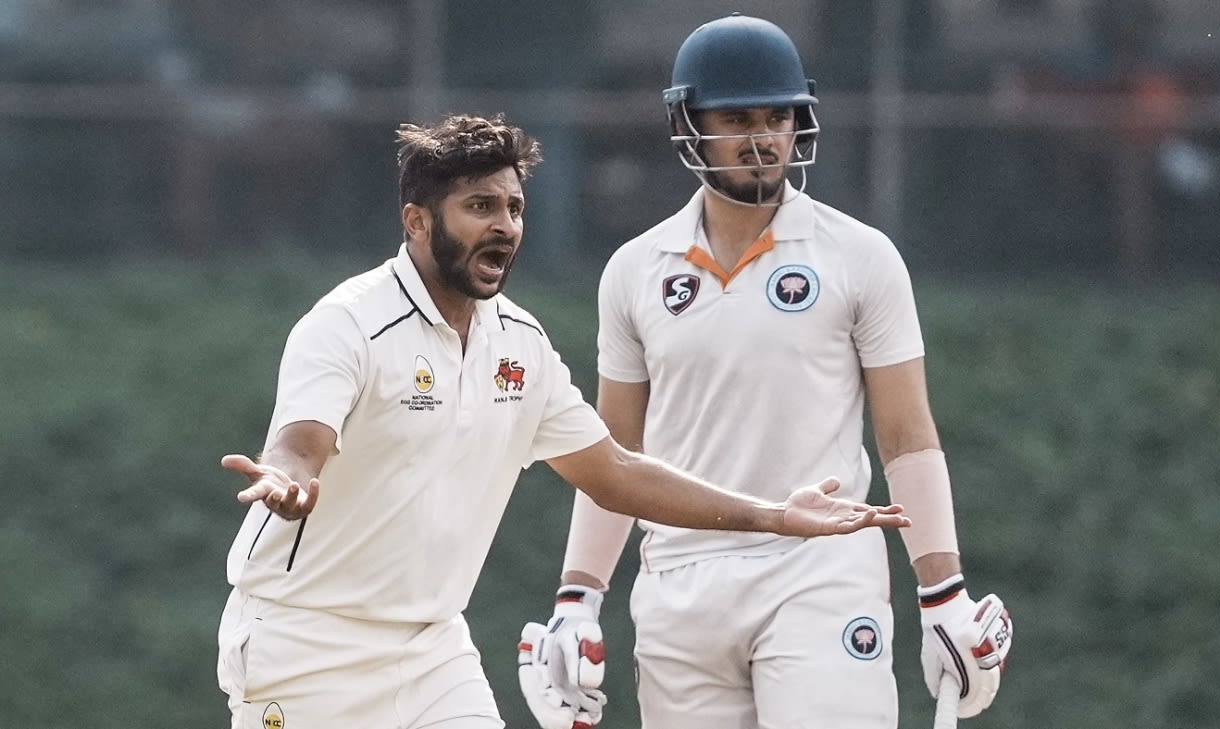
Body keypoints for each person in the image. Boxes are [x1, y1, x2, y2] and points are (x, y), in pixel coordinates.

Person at [214, 112, 911, 729]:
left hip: (429, 649)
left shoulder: (518, 344)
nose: (504, 226)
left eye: (514, 207)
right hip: (304, 646)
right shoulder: (348, 323)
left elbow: (614, 472)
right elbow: (299, 443)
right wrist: (290, 480)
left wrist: (774, 516)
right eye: (479, 206)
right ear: (417, 221)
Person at [517, 14, 1014, 729]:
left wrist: (944, 590)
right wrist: (577, 599)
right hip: (679, 582)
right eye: (738, 117)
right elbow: (613, 457)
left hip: (820, 569)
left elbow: (907, 435)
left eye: (779, 115)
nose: (763, 136)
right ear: (690, 122)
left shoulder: (860, 256)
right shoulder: (634, 270)